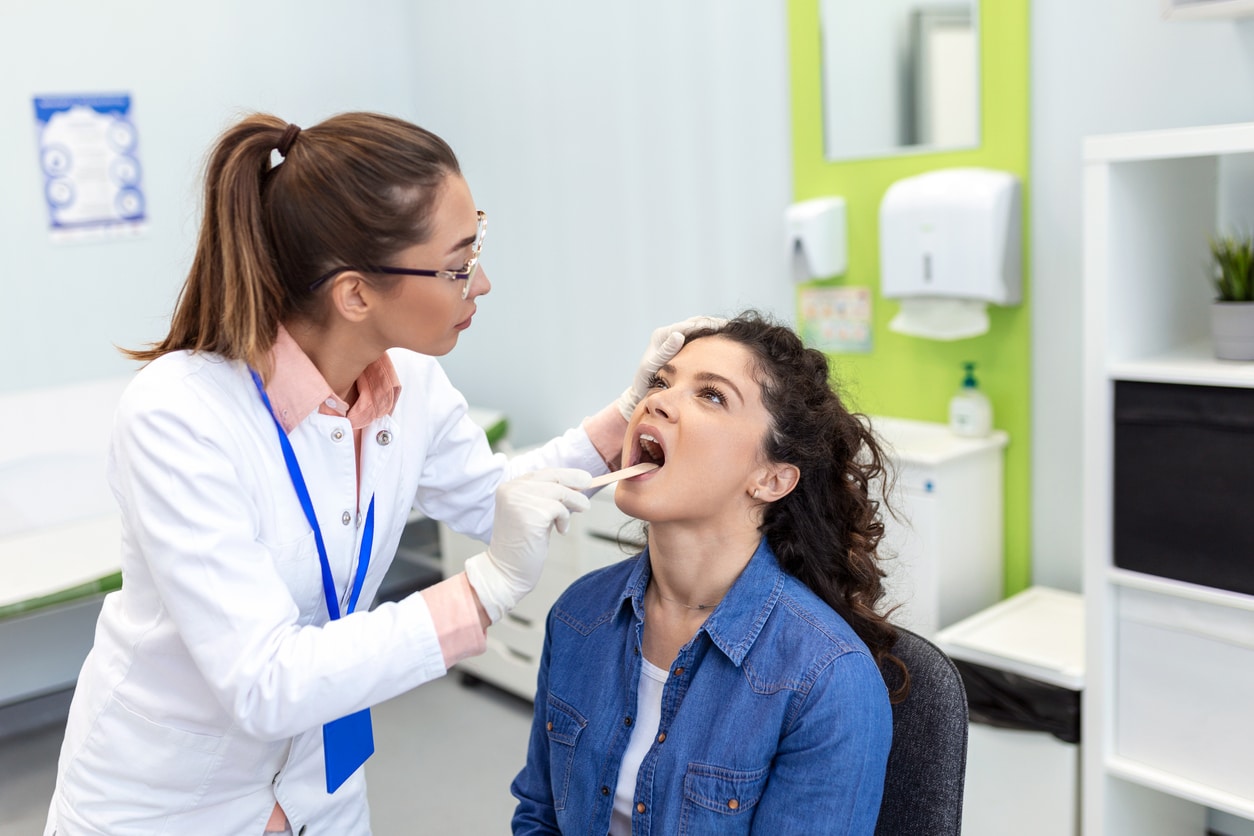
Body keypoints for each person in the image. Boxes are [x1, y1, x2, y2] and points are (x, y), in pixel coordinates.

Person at [43, 111, 717, 835]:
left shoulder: (411, 386)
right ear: (356, 294)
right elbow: (264, 681)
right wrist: (483, 592)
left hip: (319, 785)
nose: (481, 282)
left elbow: (496, 498)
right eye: (459, 264)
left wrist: (622, 415)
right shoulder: (180, 414)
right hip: (166, 800)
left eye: (477, 246)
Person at [511, 311, 906, 835]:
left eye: (712, 395)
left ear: (770, 478)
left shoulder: (828, 679)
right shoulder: (579, 613)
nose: (656, 400)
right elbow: (539, 815)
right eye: (661, 381)